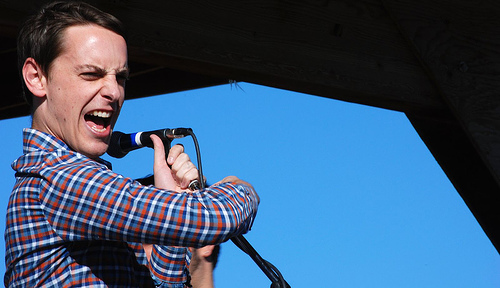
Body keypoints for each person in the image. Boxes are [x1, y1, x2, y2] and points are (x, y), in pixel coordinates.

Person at [5, 1, 259, 287]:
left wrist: (170, 200)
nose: (114, 91)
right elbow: (212, 218)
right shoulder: (58, 177)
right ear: (36, 77)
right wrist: (242, 191)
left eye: (121, 77)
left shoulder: (76, 184)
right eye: (91, 73)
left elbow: (168, 283)